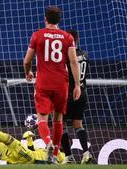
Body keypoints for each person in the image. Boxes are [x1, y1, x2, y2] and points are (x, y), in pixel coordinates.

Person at [23, 6, 81, 163]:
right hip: (61, 83)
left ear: (45, 19)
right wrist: (77, 85)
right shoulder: (67, 37)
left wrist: (27, 72)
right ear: (59, 20)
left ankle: (48, 142)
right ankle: (54, 153)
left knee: (42, 119)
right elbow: (74, 62)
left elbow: (27, 60)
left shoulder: (37, 35)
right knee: (58, 119)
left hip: (43, 82)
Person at [0, 112, 66, 164]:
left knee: (7, 138)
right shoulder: (47, 151)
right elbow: (34, 151)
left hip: (28, 157)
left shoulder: (59, 155)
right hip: (22, 158)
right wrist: (29, 140)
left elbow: (40, 158)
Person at [61, 30, 93, 164]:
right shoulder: (85, 54)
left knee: (60, 125)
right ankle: (86, 153)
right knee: (78, 125)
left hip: (68, 93)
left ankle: (68, 157)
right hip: (82, 93)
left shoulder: (67, 56)